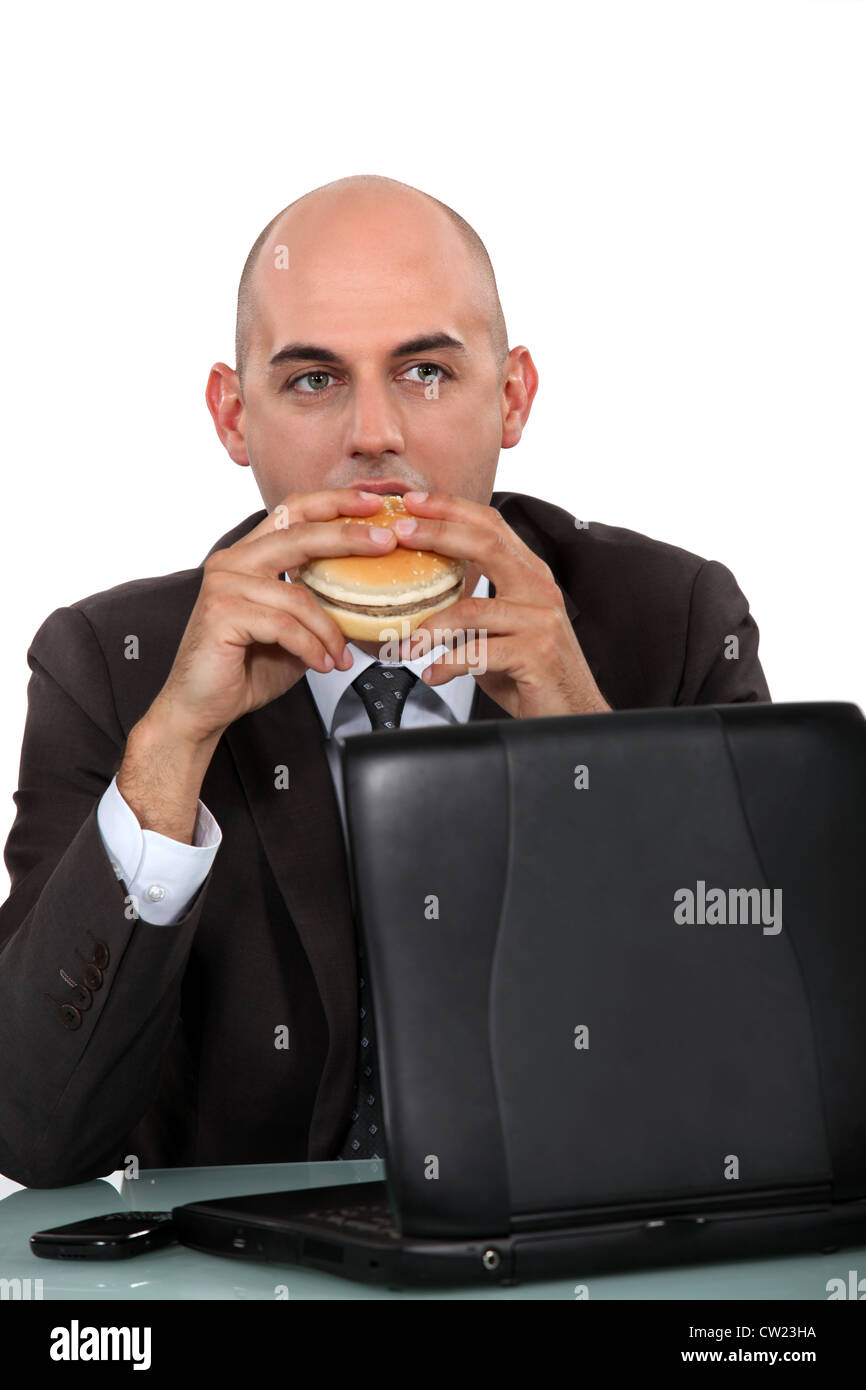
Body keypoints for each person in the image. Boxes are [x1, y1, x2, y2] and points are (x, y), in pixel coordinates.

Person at [0, 175, 770, 1188]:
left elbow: (768, 1088)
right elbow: (36, 1131)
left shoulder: (669, 623)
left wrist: (591, 754)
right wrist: (169, 754)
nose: (374, 435)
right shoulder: (113, 661)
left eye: (425, 372)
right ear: (234, 417)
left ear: (512, 397)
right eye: (313, 380)